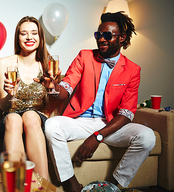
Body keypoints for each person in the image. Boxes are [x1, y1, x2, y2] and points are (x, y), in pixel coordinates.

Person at [40, 12, 156, 191]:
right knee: (52, 125)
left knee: (148, 137)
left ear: (122, 38)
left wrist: (98, 136)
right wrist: (54, 87)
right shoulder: (84, 56)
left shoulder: (133, 70)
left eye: (107, 35)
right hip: (80, 121)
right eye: (98, 35)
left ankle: (114, 186)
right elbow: (65, 90)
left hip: (111, 125)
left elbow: (126, 113)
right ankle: (71, 184)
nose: (101, 39)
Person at [0, 16, 50, 179]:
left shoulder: (47, 65)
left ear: (40, 37)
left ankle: (43, 188)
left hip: (36, 120)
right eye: (23, 33)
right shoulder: (4, 63)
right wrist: (11, 95)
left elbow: (54, 102)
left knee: (30, 115)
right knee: (13, 118)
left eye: (34, 33)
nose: (29, 37)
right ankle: (15, 186)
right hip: (10, 118)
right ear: (17, 38)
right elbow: (3, 107)